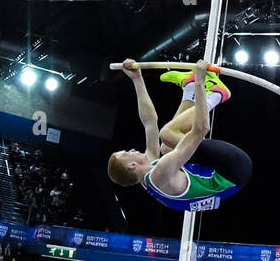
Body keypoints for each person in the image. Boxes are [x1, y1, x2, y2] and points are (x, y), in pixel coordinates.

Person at [107, 60, 252, 213]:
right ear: (132, 166)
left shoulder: (148, 174)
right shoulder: (160, 174)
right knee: (167, 134)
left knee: (166, 147)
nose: (131, 150)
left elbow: (150, 122)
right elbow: (201, 129)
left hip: (225, 175)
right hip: (233, 169)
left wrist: (137, 79)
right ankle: (216, 94)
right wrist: (200, 83)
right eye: (126, 153)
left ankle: (188, 88)